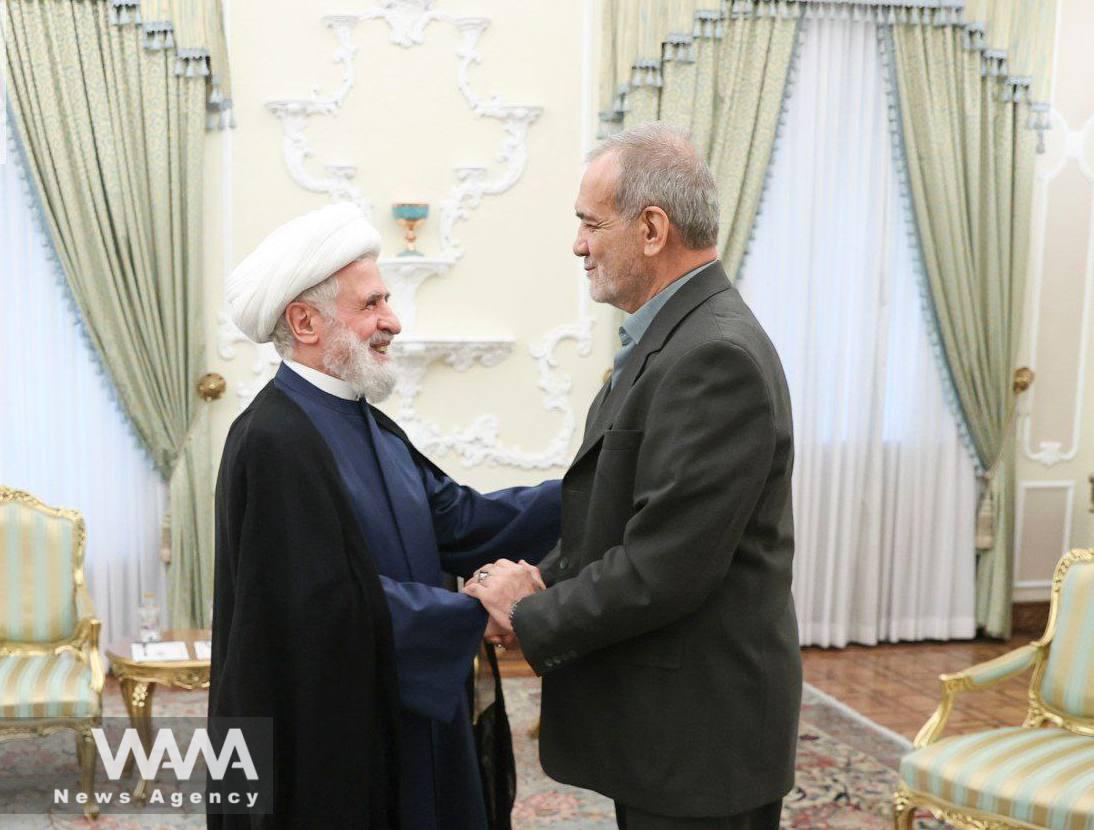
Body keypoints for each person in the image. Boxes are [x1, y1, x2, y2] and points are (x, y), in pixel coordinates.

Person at [465, 123, 801, 830]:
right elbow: (618, 518)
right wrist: (542, 583)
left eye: (590, 224)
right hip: (670, 730)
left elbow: (664, 566)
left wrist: (530, 612)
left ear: (652, 228)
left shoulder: (715, 357)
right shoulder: (678, 337)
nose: (578, 244)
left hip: (702, 741)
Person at [208, 202, 559, 828]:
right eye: (370, 304)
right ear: (305, 321)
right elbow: (322, 605)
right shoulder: (273, 438)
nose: (392, 320)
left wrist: (594, 484)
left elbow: (462, 521)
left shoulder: (371, 422)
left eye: (386, 301)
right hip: (334, 737)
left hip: (414, 706)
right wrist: (475, 614)